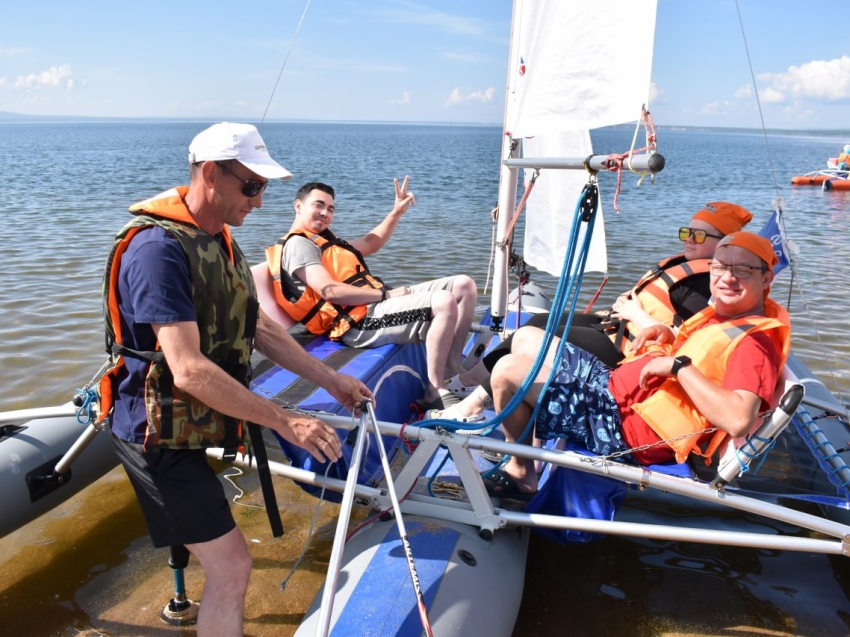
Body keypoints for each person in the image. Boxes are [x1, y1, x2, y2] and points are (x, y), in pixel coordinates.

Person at [97, 122, 373, 637]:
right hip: (153, 432)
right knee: (233, 566)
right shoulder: (157, 251)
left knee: (226, 561)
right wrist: (287, 421)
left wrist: (329, 380)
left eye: (264, 187)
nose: (261, 202)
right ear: (209, 175)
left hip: (189, 420)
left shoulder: (218, 239)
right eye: (251, 186)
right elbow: (188, 368)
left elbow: (259, 325)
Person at [485, 231, 790, 499]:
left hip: (623, 429)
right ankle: (530, 442)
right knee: (526, 337)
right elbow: (709, 356)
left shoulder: (756, 344)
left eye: (742, 270)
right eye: (720, 267)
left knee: (508, 372)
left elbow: (739, 419)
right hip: (614, 390)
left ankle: (521, 471)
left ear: (766, 278)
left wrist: (677, 367)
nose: (727, 277)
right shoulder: (726, 315)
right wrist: (666, 337)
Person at [437, 201, 753, 422]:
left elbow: (681, 339)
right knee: (536, 320)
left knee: (538, 336)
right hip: (619, 325)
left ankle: (474, 401)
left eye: (698, 236)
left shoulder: (707, 285)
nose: (688, 241)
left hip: (631, 351)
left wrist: (635, 313)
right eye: (686, 232)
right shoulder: (689, 267)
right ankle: (473, 381)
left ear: (725, 243)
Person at [266, 178, 478, 411]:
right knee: (444, 302)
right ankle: (435, 390)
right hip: (357, 324)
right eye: (318, 205)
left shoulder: (325, 241)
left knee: (464, 286)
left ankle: (452, 370)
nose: (325, 213)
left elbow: (371, 242)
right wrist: (385, 296)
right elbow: (329, 290)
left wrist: (396, 211)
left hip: (371, 306)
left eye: (330, 209)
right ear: (298, 206)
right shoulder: (299, 245)